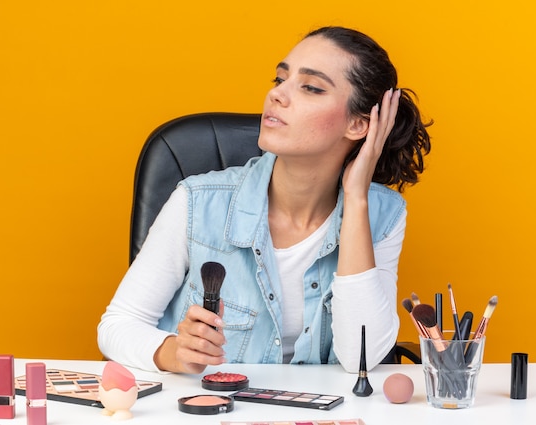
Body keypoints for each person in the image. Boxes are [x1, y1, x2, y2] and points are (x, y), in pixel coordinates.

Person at [97, 26, 431, 375]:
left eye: (311, 87)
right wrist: (172, 353)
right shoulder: (197, 202)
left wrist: (357, 198)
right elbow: (117, 324)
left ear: (359, 124)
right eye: (279, 79)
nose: (277, 95)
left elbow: (360, 357)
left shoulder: (384, 215)